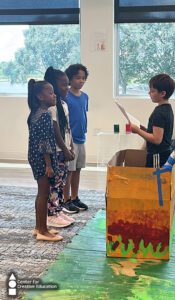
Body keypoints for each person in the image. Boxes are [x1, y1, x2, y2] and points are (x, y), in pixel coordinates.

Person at [27, 79, 63, 242]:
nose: (54, 95)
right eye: (50, 93)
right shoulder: (44, 115)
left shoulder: (37, 113)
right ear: (40, 96)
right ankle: (42, 230)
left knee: (41, 192)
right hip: (42, 158)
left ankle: (39, 226)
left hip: (37, 156)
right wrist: (48, 164)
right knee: (44, 193)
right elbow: (44, 142)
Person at [44, 67, 75, 227]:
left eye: (68, 84)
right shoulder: (52, 107)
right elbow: (56, 131)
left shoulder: (62, 103)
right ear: (53, 86)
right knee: (55, 183)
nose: (67, 88)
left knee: (62, 181)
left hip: (64, 149)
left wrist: (71, 145)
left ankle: (59, 209)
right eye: (64, 85)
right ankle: (51, 214)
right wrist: (64, 148)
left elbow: (66, 128)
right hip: (56, 151)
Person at [130, 74, 175, 167]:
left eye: (152, 91)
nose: (149, 93)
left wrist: (138, 131)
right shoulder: (167, 109)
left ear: (163, 93)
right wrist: (144, 130)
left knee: (153, 181)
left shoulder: (159, 112)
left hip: (157, 156)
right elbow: (159, 134)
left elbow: (157, 139)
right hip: (163, 154)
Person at [63, 64, 89, 212]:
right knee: (69, 171)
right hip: (70, 140)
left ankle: (75, 197)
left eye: (83, 78)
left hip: (81, 138)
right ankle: (66, 200)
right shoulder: (66, 96)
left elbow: (83, 115)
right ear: (70, 79)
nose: (81, 81)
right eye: (78, 78)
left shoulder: (85, 96)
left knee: (78, 169)